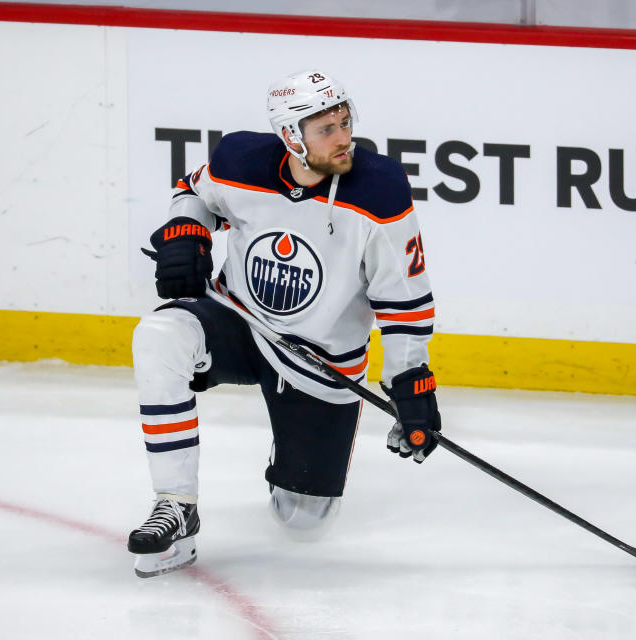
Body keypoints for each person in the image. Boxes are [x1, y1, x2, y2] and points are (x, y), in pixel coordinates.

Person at [128, 69, 442, 577]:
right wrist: (186, 231)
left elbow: (404, 300)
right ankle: (176, 507)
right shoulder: (241, 161)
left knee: (303, 522)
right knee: (160, 336)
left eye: (344, 121)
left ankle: (292, 440)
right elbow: (195, 191)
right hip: (239, 321)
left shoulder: (379, 191)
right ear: (291, 137)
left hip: (320, 362)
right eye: (326, 129)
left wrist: (410, 382)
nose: (344, 138)